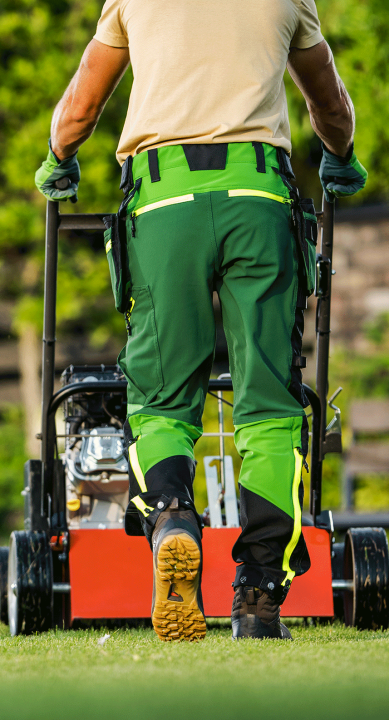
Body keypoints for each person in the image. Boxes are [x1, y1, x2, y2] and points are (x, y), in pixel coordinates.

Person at [35, 0, 366, 641]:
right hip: (260, 199)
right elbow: (330, 104)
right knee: (269, 406)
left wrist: (59, 157)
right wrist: (340, 153)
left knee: (161, 400)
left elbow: (80, 108)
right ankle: (259, 594)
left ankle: (172, 518)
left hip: (165, 203)